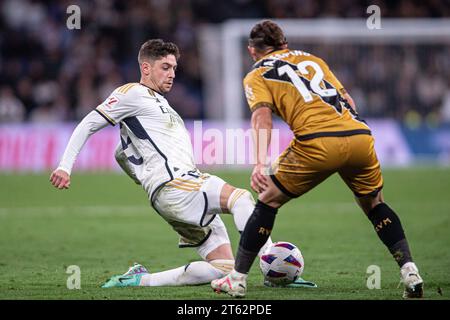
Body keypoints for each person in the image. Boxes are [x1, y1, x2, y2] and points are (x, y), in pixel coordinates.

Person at [211, 20, 424, 298]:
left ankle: (237, 280)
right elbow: (347, 98)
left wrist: (260, 163)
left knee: (268, 201)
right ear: (284, 43)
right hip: (359, 135)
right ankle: (409, 270)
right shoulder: (313, 60)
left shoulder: (256, 74)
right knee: (375, 204)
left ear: (252, 51)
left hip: (317, 143)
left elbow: (262, 117)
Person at [50, 39, 274, 288]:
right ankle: (272, 266)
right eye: (165, 67)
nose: (172, 74)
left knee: (222, 268)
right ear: (146, 68)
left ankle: (140, 280)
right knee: (241, 198)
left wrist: (144, 178)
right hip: (178, 185)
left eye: (174, 68)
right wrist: (64, 166)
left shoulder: (159, 104)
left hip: (168, 195)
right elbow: (89, 123)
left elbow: (120, 154)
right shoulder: (132, 93)